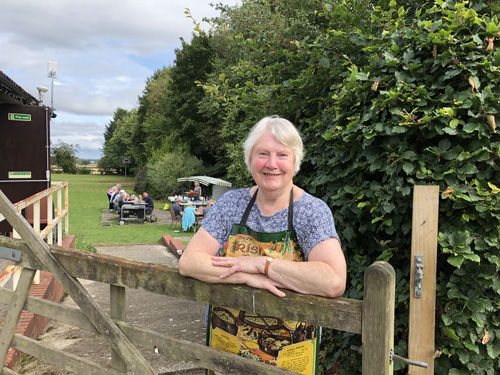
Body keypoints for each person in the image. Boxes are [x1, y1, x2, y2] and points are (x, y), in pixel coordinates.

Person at [178, 116, 346, 374]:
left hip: (288, 359)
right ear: (250, 159)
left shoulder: (311, 211)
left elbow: (333, 280)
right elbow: (189, 262)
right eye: (263, 154)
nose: (271, 164)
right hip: (227, 353)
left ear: (295, 162)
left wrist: (263, 264)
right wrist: (246, 276)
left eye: (282, 155)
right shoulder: (231, 204)